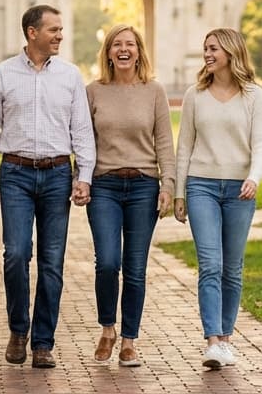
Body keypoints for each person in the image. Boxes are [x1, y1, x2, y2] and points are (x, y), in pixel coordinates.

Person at [0, 4, 96, 369]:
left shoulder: (70, 76)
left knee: (51, 262)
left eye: (61, 30)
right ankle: (18, 329)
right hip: (14, 173)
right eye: (54, 30)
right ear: (32, 33)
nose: (60, 35)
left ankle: (43, 342)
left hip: (57, 174)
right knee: (16, 254)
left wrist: (84, 176)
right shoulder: (2, 75)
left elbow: (81, 130)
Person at [173, 27, 262, 370]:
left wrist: (254, 177)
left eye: (213, 48)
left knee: (233, 268)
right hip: (201, 186)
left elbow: (261, 143)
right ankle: (213, 340)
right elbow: (183, 146)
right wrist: (180, 192)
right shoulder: (195, 95)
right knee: (210, 264)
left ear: (231, 52)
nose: (208, 54)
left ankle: (226, 340)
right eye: (205, 49)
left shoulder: (254, 96)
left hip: (239, 190)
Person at [85, 24, 176, 367]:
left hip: (143, 186)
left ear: (139, 51)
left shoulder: (154, 91)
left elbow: (164, 142)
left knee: (135, 269)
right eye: (117, 45)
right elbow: (83, 139)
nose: (124, 50)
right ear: (108, 52)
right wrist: (83, 179)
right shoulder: (93, 91)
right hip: (104, 185)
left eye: (130, 44)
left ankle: (128, 341)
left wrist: (167, 184)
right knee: (108, 262)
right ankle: (107, 327)